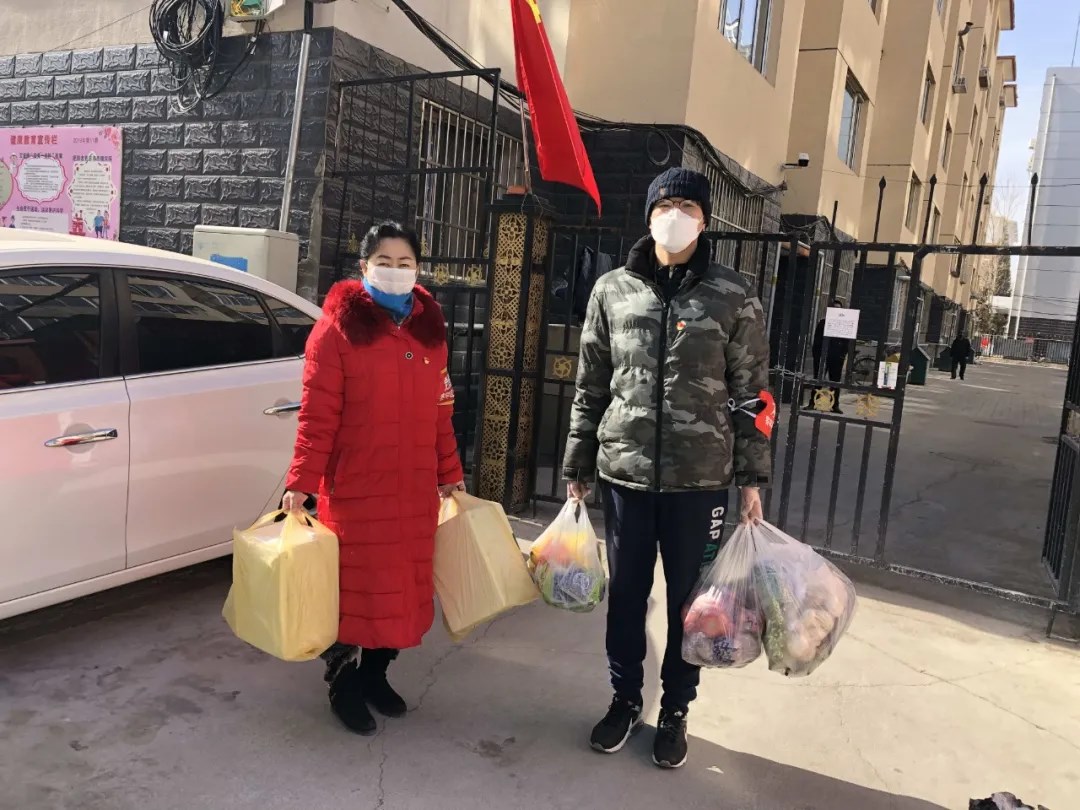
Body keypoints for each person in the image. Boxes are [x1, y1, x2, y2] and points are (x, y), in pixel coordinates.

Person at [563, 167, 772, 770]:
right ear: (649, 213)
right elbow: (590, 383)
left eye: (688, 206)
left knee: (691, 603)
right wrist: (578, 460)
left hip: (699, 482)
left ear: (704, 220)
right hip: (624, 475)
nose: (675, 215)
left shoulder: (733, 294)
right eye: (665, 204)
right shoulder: (612, 290)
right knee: (627, 596)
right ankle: (625, 699)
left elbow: (753, 394)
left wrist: (751, 480)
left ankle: (676, 708)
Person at [282, 221, 465, 736]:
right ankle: (343, 683)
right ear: (364, 267)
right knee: (352, 593)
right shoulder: (336, 331)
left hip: (413, 491)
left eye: (406, 263)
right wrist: (301, 482)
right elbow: (317, 417)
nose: (395, 271)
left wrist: (450, 473)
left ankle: (376, 674)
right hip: (357, 491)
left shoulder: (429, 332)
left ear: (418, 270)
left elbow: (440, 413)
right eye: (385, 262)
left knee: (400, 592)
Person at [805, 299, 850, 414]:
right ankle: (813, 402)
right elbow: (817, 340)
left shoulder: (843, 324)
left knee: (835, 382)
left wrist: (842, 354)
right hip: (822, 355)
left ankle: (835, 405)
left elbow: (846, 342)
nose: (836, 311)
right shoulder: (823, 323)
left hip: (836, 357)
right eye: (834, 308)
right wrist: (817, 355)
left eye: (838, 309)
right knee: (818, 380)